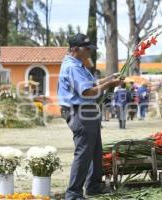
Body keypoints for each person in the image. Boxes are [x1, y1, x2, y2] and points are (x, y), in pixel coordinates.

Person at [57, 33, 121, 200]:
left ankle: (93, 186)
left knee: (95, 151)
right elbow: (86, 92)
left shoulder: (79, 65)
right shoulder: (72, 67)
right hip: (80, 111)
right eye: (86, 49)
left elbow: (91, 84)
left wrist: (108, 79)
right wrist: (110, 85)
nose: (89, 52)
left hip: (87, 111)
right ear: (74, 49)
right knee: (84, 153)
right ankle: (73, 194)